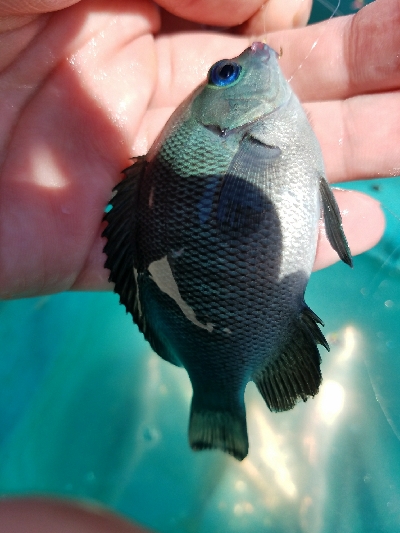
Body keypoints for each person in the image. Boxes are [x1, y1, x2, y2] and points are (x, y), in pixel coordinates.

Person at [0, 0, 397, 530]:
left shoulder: (233, 136)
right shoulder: (242, 135)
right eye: (226, 74)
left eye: (223, 73)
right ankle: (219, 398)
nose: (251, 57)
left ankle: (217, 396)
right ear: (224, 126)